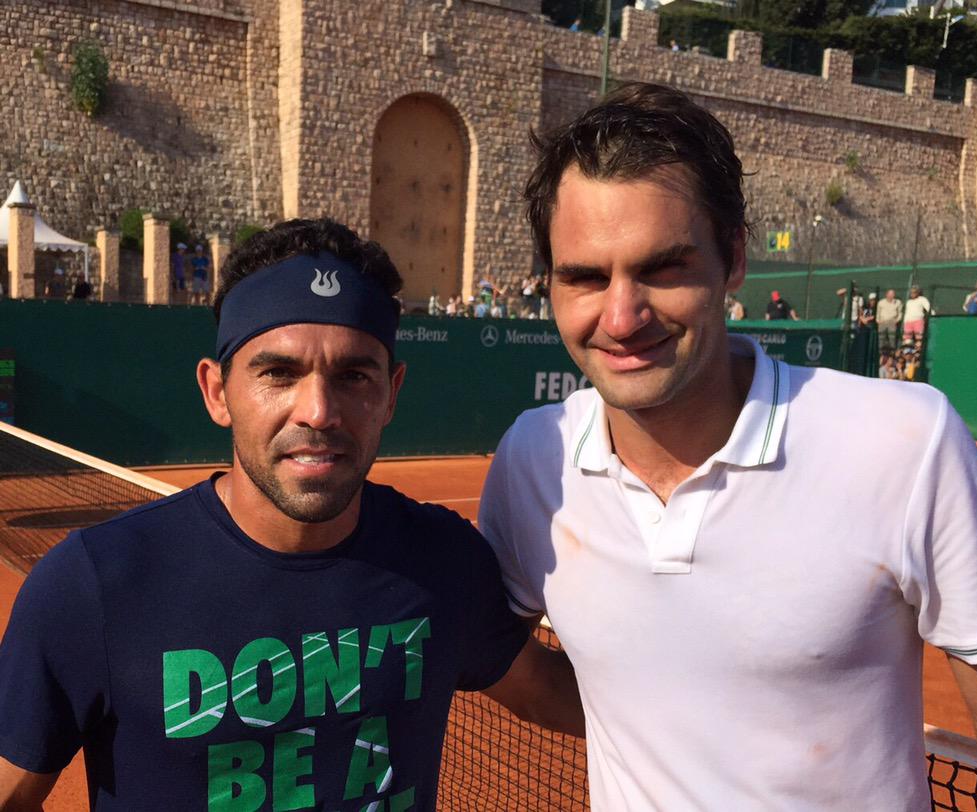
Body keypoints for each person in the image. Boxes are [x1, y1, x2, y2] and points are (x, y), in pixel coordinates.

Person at [481, 83, 977, 810]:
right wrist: (640, 714)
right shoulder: (531, 459)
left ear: (733, 259)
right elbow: (498, 651)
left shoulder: (906, 443)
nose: (621, 314)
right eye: (584, 276)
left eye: (662, 267)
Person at [0, 218, 582, 809]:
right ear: (218, 392)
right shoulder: (90, 585)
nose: (319, 411)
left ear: (392, 393)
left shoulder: (446, 560)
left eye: (354, 375)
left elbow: (550, 693)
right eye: (278, 373)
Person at [876, 287, 903, 352]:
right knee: (881, 338)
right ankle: (880, 354)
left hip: (892, 322)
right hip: (882, 322)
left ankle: (892, 353)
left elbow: (900, 313)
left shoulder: (898, 302)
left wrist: (896, 321)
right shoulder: (881, 302)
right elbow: (878, 313)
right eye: (890, 294)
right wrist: (878, 320)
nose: (891, 296)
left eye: (893, 294)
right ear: (886, 294)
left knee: (892, 339)